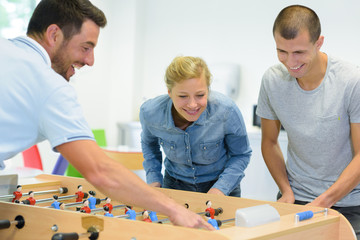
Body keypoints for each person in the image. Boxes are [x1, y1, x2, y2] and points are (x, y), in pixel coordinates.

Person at [0, 0, 212, 230]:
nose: (90, 61)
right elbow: (100, 171)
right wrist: (173, 209)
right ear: (53, 35)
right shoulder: (50, 86)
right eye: (86, 47)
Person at [256, 5, 360, 238]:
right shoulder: (272, 80)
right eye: (282, 51)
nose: (290, 62)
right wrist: (286, 191)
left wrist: (324, 201)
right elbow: (269, 141)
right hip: (296, 197)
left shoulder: (351, 81)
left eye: (299, 52)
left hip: (351, 203)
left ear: (319, 42)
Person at [140, 56, 252, 197]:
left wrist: (220, 189)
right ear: (169, 92)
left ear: (208, 90)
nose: (192, 104)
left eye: (200, 95)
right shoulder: (150, 112)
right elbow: (149, 145)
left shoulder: (227, 111)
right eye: (182, 96)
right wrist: (154, 179)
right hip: (174, 185)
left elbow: (241, 154)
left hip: (221, 186)